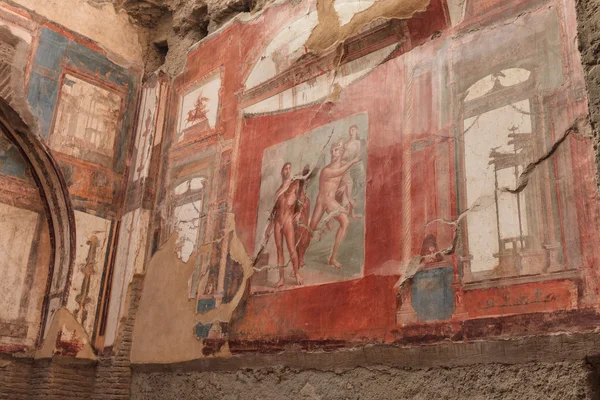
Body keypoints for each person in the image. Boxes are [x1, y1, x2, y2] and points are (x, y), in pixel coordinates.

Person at [308, 140, 361, 269]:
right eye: (332, 150)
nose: (333, 152)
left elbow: (347, 181)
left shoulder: (342, 167)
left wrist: (344, 186)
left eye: (336, 150)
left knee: (345, 222)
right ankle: (299, 259)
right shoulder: (326, 170)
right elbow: (337, 173)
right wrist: (353, 162)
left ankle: (333, 258)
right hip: (322, 201)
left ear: (341, 152)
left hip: (331, 201)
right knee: (311, 229)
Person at [269, 162, 304, 287]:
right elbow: (274, 210)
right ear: (281, 172)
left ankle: (296, 273)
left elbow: (301, 199)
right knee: (279, 250)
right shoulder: (278, 190)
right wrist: (268, 227)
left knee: (291, 248)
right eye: (285, 169)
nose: (287, 171)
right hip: (277, 221)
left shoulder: (295, 184)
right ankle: (281, 278)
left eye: (289, 168)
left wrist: (299, 212)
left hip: (288, 220)